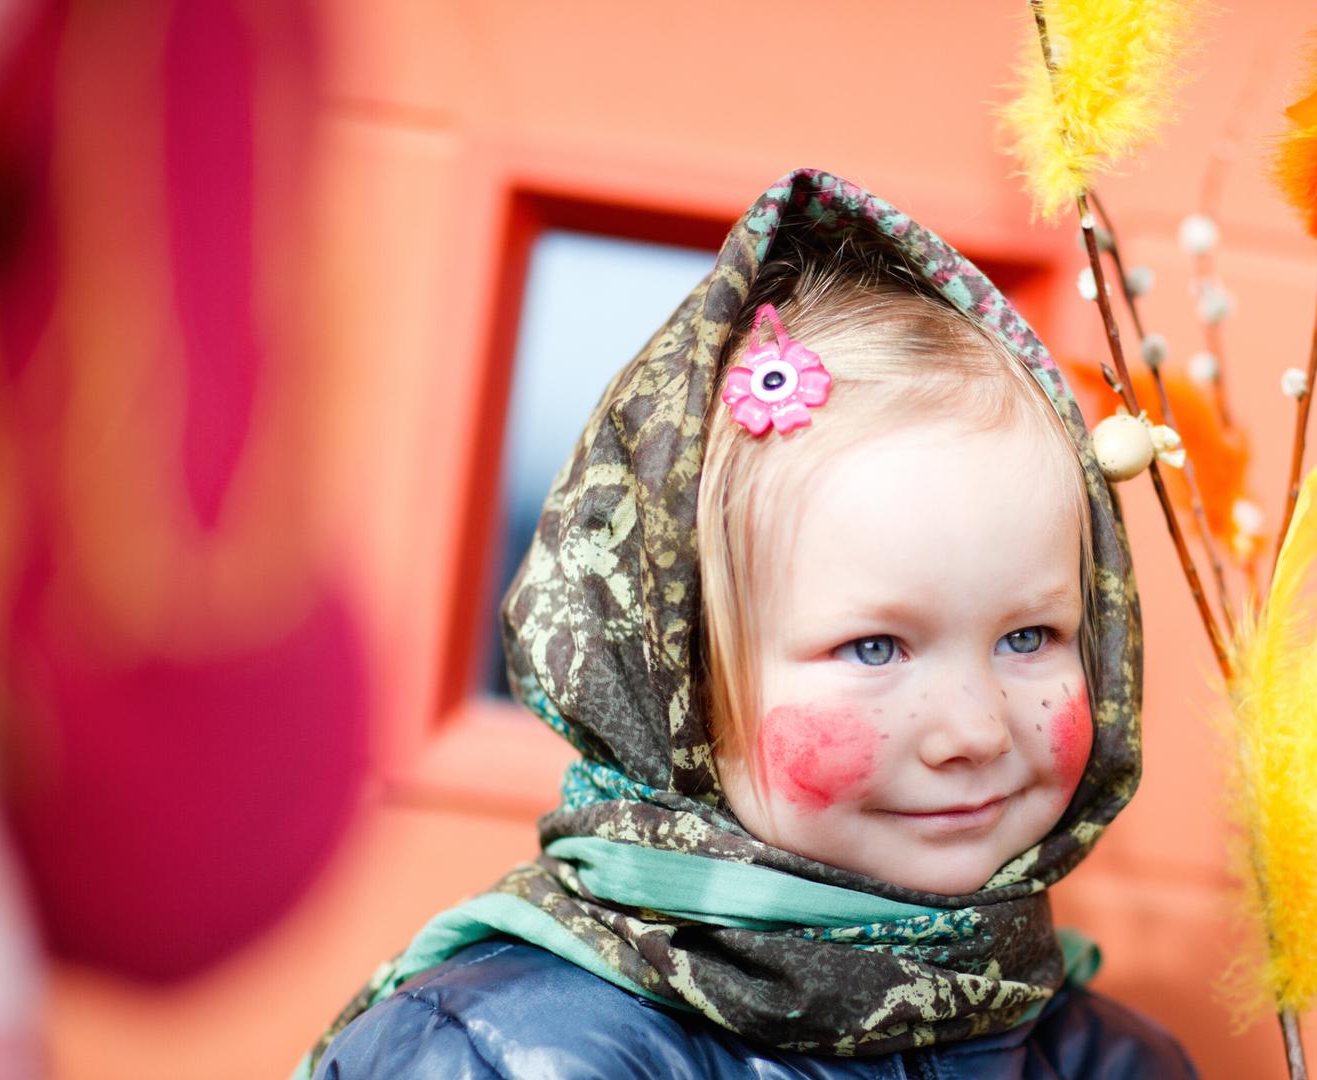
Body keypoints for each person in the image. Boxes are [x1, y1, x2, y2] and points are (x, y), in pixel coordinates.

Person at [298, 169, 1197, 1078]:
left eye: (1029, 638)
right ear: (678, 684)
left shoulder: (1112, 1062)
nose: (974, 728)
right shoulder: (515, 1057)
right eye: (874, 647)